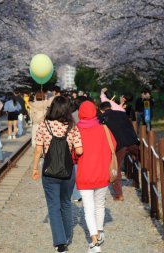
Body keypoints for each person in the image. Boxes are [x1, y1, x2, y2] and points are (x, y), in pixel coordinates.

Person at [32, 96, 83, 253]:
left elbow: (38, 150)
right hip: (68, 171)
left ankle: (60, 244)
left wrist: (34, 168)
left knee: (53, 206)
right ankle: (67, 236)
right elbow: (80, 150)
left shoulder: (43, 125)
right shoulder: (72, 127)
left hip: (49, 171)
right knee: (66, 203)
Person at [76, 101, 116, 253]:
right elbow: (114, 145)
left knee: (88, 209)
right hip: (102, 174)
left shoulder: (77, 130)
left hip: (84, 175)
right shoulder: (103, 129)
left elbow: (74, 154)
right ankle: (99, 232)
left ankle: (94, 242)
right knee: (100, 205)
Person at [99, 101, 139, 201]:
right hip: (132, 141)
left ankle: (119, 195)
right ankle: (150, 179)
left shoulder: (102, 118)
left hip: (119, 145)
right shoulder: (122, 113)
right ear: (110, 107)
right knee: (142, 160)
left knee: (116, 168)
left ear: (101, 110)